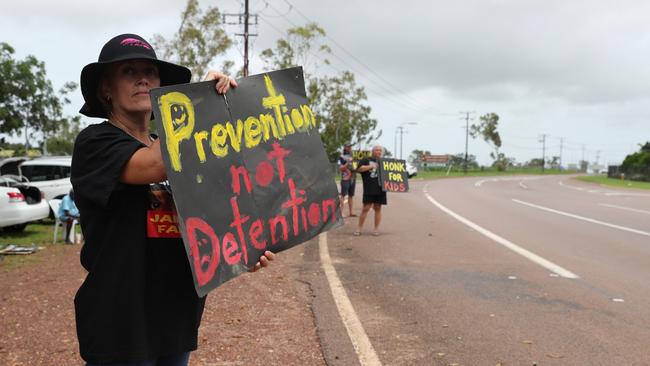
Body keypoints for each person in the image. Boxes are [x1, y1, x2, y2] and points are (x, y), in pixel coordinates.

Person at [71, 33, 275, 366]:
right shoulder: (95, 142)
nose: (142, 77)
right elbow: (152, 164)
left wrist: (243, 248)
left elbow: (210, 215)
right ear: (105, 90)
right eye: (127, 71)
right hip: (120, 322)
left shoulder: (178, 145)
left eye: (150, 72)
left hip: (177, 314)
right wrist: (200, 103)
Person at [355, 145, 386, 236]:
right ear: (373, 151)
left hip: (381, 188)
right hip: (369, 188)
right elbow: (359, 169)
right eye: (377, 150)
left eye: (380, 150)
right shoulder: (366, 159)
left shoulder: (384, 161)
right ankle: (359, 228)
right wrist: (371, 166)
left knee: (378, 208)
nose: (379, 152)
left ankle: (376, 229)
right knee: (366, 208)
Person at [338, 144, 357, 217]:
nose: (349, 148)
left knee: (351, 196)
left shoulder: (354, 156)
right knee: (343, 195)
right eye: (347, 147)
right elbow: (341, 168)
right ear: (344, 148)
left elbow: (356, 167)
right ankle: (341, 213)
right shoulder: (341, 157)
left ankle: (351, 212)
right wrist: (348, 162)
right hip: (345, 178)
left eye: (350, 147)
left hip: (353, 178)